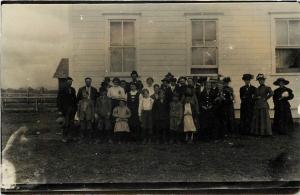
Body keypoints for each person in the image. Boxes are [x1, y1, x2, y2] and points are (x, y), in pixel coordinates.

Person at [56, 77, 77, 143]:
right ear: (66, 82)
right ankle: (64, 137)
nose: (70, 83)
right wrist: (60, 110)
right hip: (65, 110)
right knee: (66, 124)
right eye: (68, 82)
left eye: (71, 82)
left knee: (72, 123)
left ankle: (71, 136)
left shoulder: (73, 89)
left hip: (72, 109)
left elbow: (75, 99)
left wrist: (75, 108)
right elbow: (59, 100)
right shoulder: (62, 90)